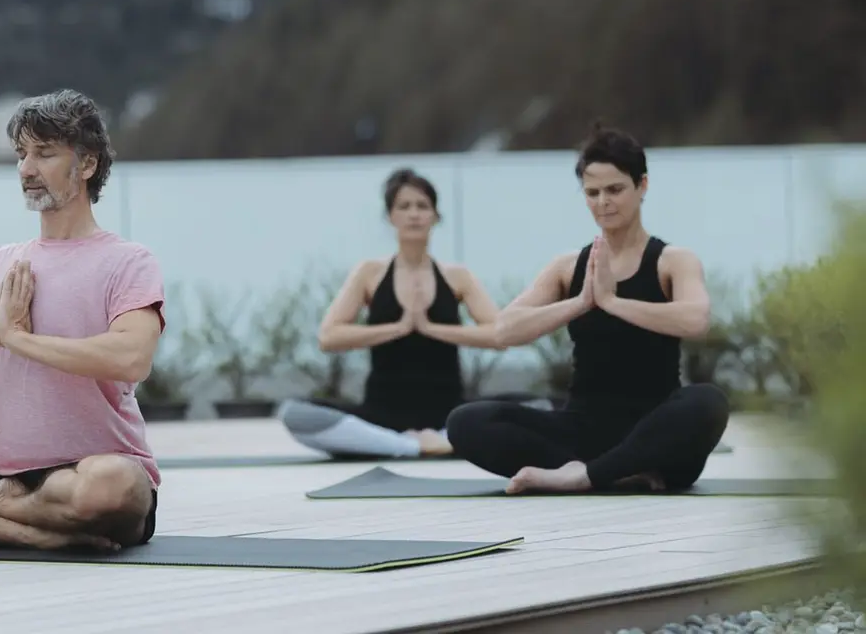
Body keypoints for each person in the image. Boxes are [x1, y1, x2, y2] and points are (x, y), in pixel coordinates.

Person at [0, 89, 166, 551]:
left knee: (112, 488)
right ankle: (25, 529)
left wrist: (20, 341)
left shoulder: (127, 261)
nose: (27, 169)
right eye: (21, 155)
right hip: (2, 473)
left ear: (86, 165)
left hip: (93, 467)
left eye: (44, 153)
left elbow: (131, 358)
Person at [445, 124, 730, 494]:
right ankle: (612, 471)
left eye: (615, 190)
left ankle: (588, 476)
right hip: (581, 429)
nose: (603, 202)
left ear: (642, 186)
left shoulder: (672, 260)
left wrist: (614, 302)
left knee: (708, 402)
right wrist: (581, 303)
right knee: (466, 420)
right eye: (592, 193)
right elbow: (504, 330)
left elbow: (695, 319)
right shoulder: (567, 266)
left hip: (656, 432)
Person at [278, 167, 508, 459]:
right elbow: (328, 336)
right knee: (293, 413)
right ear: (390, 216)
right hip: (381, 416)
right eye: (404, 206)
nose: (414, 214)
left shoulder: (457, 277)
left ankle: (439, 438)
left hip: (448, 414)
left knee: (539, 407)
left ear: (435, 216)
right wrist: (399, 328)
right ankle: (412, 445)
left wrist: (430, 328)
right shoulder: (369, 273)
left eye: (422, 206)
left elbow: (501, 334)